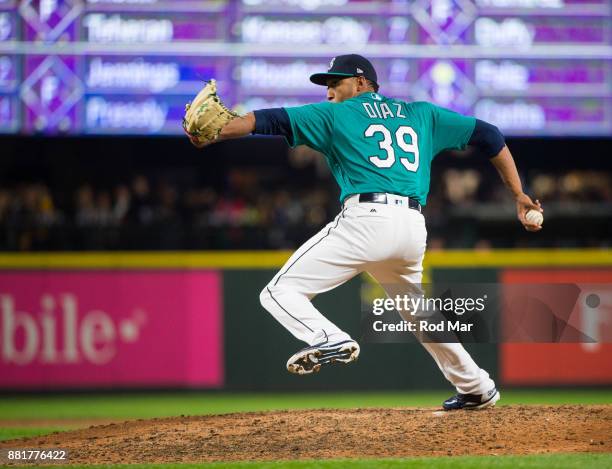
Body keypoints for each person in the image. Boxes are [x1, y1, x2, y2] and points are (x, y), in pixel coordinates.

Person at [188, 54, 543, 410]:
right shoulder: (422, 114)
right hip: (411, 227)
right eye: (326, 86)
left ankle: (328, 337)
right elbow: (490, 135)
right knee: (416, 309)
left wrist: (217, 132)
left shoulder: (336, 114)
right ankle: (477, 387)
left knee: (279, 292)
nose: (328, 92)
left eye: (334, 83)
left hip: (367, 220)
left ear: (361, 83)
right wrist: (518, 194)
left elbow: (266, 121)